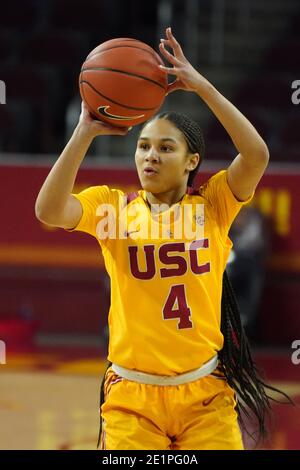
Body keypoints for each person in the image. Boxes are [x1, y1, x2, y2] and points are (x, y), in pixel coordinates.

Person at [35, 27, 289, 450]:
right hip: (132, 399)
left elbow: (257, 154)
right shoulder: (112, 208)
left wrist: (202, 86)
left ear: (192, 161)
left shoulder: (214, 206)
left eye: (165, 148)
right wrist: (83, 131)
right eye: (144, 146)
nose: (150, 155)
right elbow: (48, 210)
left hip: (205, 395)